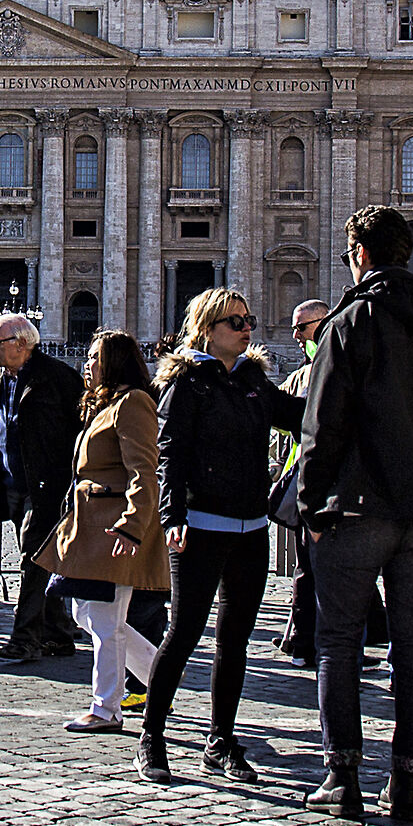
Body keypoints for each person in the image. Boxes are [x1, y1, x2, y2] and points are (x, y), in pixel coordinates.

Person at [294, 206, 413, 821]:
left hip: (356, 507)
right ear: (409, 254)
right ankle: (407, 780)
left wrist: (309, 500)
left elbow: (322, 425)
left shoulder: (351, 321)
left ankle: (342, 776)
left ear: (359, 253)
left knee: (339, 643)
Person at [136, 287, 303, 788]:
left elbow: (294, 416)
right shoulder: (186, 382)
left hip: (251, 527)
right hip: (202, 526)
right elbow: (171, 454)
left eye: (249, 319)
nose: (247, 327)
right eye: (236, 321)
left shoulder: (252, 377)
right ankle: (153, 735)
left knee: (235, 642)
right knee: (184, 634)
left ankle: (221, 740)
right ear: (207, 328)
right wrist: (173, 515)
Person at [34, 331, 165, 731]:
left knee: (107, 620)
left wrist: (132, 524)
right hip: (91, 526)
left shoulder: (133, 403)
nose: (86, 364)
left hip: (114, 529)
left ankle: (106, 708)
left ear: (114, 362)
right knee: (85, 611)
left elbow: (145, 472)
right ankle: (162, 677)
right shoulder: (107, 404)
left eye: (94, 357)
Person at [0, 312, 88, 666]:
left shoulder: (58, 378)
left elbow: (80, 430)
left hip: (47, 485)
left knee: (32, 559)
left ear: (22, 344)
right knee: (40, 561)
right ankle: (57, 632)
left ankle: (25, 637)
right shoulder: (3, 379)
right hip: (15, 482)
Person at [269, 298, 334, 666]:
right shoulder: (307, 372)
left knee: (313, 568)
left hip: (324, 483)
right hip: (305, 483)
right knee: (310, 566)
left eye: (302, 328)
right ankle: (302, 638)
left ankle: (304, 638)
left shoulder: (326, 369)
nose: (295, 335)